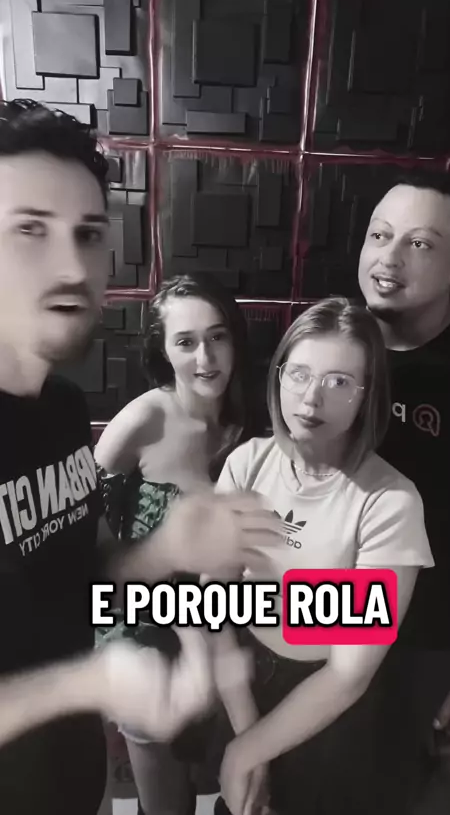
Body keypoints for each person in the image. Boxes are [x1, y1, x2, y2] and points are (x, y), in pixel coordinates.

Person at [0, 99, 281, 815]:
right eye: (29, 229)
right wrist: (88, 682)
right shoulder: (139, 419)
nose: (70, 264)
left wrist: (164, 550)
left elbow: (85, 562)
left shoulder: (63, 409)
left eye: (88, 234)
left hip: (70, 772)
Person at [208, 297, 434, 815]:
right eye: (299, 374)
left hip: (327, 700)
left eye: (338, 382)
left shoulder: (390, 502)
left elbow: (349, 672)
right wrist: (246, 731)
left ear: (367, 395)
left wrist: (248, 751)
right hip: (243, 678)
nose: (311, 398)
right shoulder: (246, 464)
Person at [94, 272, 258, 815]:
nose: (205, 358)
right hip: (148, 632)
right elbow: (86, 534)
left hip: (236, 631)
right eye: (185, 342)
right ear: (163, 352)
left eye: (217, 337)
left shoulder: (262, 419)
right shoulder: (144, 419)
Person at [357, 169, 450, 809]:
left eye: (420, 243)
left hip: (438, 650)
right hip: (328, 624)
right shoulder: (333, 343)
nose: (389, 257)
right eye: (380, 235)